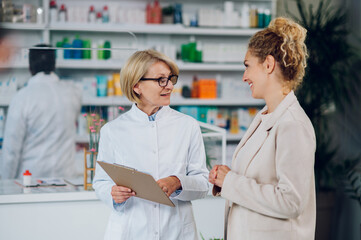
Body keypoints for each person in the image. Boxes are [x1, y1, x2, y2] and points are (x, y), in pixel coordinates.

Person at [209, 17, 316, 240]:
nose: (244, 76)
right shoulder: (265, 116)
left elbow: (291, 201)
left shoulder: (292, 125)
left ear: (268, 65)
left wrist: (230, 182)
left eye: (247, 66)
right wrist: (224, 181)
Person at [93, 49, 209, 240]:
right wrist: (113, 193)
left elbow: (203, 183)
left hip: (176, 230)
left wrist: (178, 182)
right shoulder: (113, 130)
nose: (170, 86)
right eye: (161, 80)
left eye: (171, 79)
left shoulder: (187, 126)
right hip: (131, 230)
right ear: (137, 85)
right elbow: (101, 183)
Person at [1, 44, 82, 179]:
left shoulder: (22, 97)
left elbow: (11, 151)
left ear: (30, 67)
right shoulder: (72, 93)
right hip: (66, 178)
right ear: (54, 65)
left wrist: (5, 183)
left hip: (32, 178)